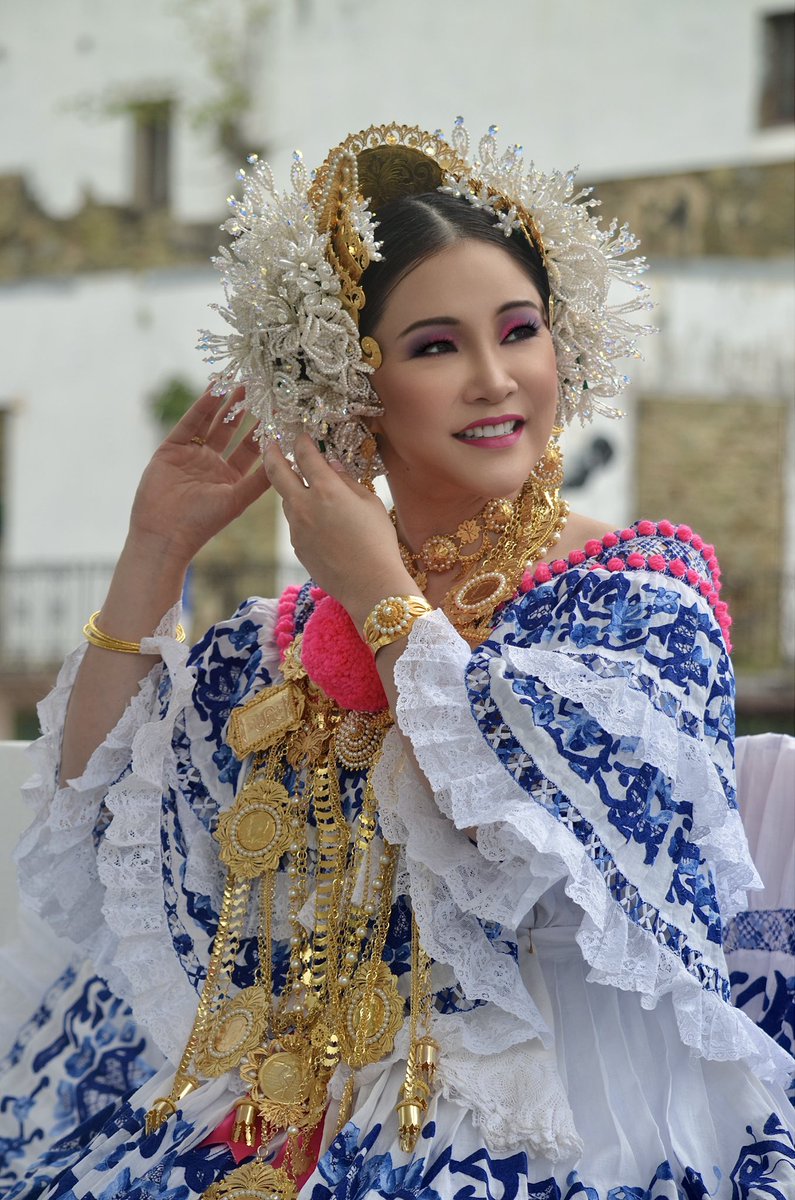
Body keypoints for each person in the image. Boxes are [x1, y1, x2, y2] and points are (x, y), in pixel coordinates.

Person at [1, 121, 793, 1199]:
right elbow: (93, 816)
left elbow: (507, 830)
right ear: (352, 391)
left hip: (556, 1116)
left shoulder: (640, 599)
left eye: (519, 331)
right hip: (306, 1111)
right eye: (434, 347)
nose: (493, 379)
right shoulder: (288, 638)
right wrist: (156, 548)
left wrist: (379, 590)